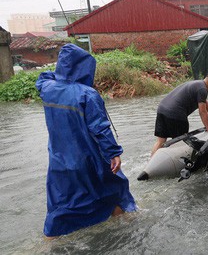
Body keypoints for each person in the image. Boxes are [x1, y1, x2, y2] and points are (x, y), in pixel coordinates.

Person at [35, 44, 137, 238]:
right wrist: (113, 153)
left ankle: (50, 239)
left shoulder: (46, 88)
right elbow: (100, 128)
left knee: (62, 202)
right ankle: (125, 228)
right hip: (87, 158)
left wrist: (62, 75)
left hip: (58, 161)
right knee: (114, 189)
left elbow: (43, 77)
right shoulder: (87, 94)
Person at [151, 69, 208, 156]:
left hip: (162, 110)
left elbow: (207, 106)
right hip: (176, 114)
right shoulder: (202, 89)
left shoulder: (198, 84)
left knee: (160, 141)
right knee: (180, 143)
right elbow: (202, 111)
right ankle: (173, 164)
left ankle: (150, 164)